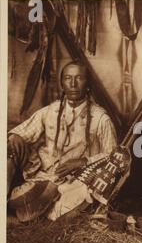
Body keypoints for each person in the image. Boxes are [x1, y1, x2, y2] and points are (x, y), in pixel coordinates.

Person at [7, 60, 118, 222]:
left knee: (67, 204)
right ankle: (19, 199)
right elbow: (18, 134)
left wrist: (83, 161)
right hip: (40, 175)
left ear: (87, 84)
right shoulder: (50, 111)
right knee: (10, 144)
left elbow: (114, 157)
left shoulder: (101, 118)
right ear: (62, 83)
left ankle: (31, 208)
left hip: (73, 181)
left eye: (79, 78)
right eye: (68, 78)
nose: (73, 84)